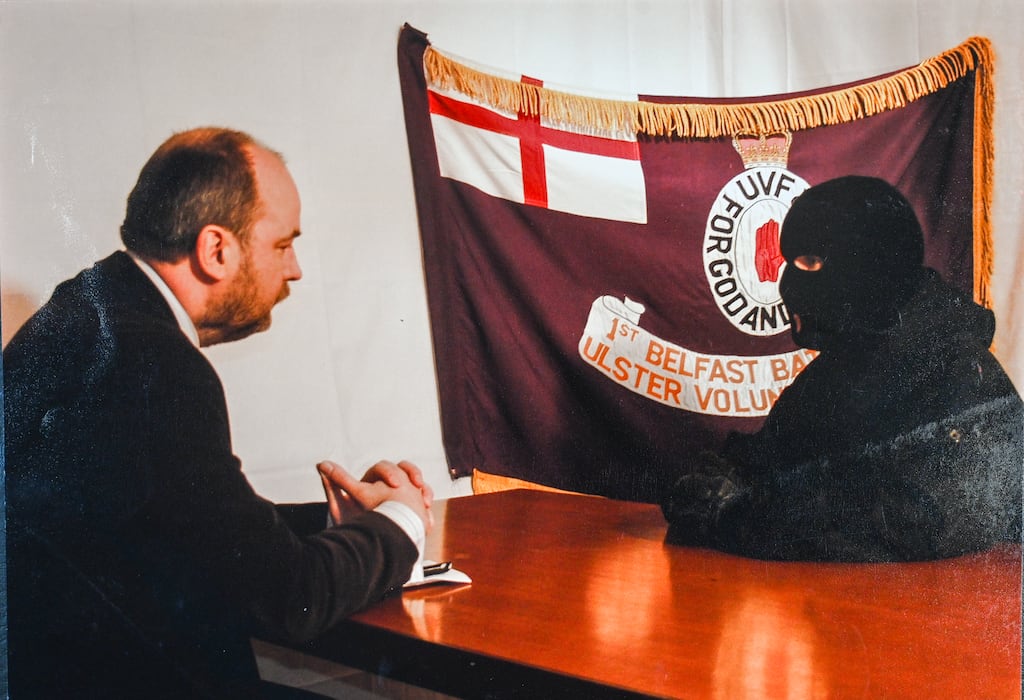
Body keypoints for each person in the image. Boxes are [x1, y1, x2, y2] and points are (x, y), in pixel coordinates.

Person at [4, 127, 434, 698]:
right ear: (216, 250)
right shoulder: (155, 362)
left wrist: (339, 522)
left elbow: (189, 521)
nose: (296, 269)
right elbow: (291, 597)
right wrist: (402, 522)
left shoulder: (82, 308)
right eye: (283, 244)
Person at [661, 175, 1023, 562]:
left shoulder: (957, 370)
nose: (787, 285)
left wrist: (737, 517)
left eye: (812, 262)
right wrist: (715, 485)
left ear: (871, 265)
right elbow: (764, 459)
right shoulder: (840, 368)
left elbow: (917, 521)